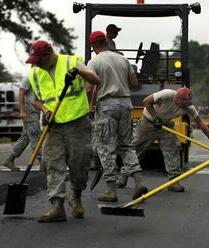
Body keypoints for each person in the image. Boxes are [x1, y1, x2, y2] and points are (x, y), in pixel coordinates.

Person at [26, 40, 100, 222]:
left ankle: (75, 196)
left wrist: (79, 71)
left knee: (79, 164)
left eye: (38, 60)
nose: (36, 64)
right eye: (33, 61)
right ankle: (57, 206)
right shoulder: (35, 72)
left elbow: (95, 79)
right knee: (53, 164)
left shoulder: (71, 62)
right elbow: (36, 99)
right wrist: (45, 109)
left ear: (49, 54)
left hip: (77, 124)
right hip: (54, 126)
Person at [116, 87, 209, 192]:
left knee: (173, 150)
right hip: (148, 123)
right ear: (177, 99)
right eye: (183, 104)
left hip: (166, 125)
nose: (185, 107)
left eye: (187, 104)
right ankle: (124, 175)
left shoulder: (189, 107)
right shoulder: (167, 95)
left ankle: (173, 182)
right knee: (136, 149)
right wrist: (155, 118)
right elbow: (146, 101)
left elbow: (201, 124)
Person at [86, 31, 148, 202]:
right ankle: (139, 181)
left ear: (93, 46)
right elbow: (134, 83)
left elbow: (89, 88)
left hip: (107, 106)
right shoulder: (122, 59)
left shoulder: (94, 61)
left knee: (106, 147)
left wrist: (89, 107)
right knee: (126, 145)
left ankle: (111, 190)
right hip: (125, 103)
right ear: (106, 42)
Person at [2, 78, 43, 172]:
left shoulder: (40, 75)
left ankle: (9, 159)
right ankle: (43, 164)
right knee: (36, 136)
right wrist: (22, 110)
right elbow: (21, 92)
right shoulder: (30, 77)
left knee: (25, 137)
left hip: (34, 111)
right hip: (30, 111)